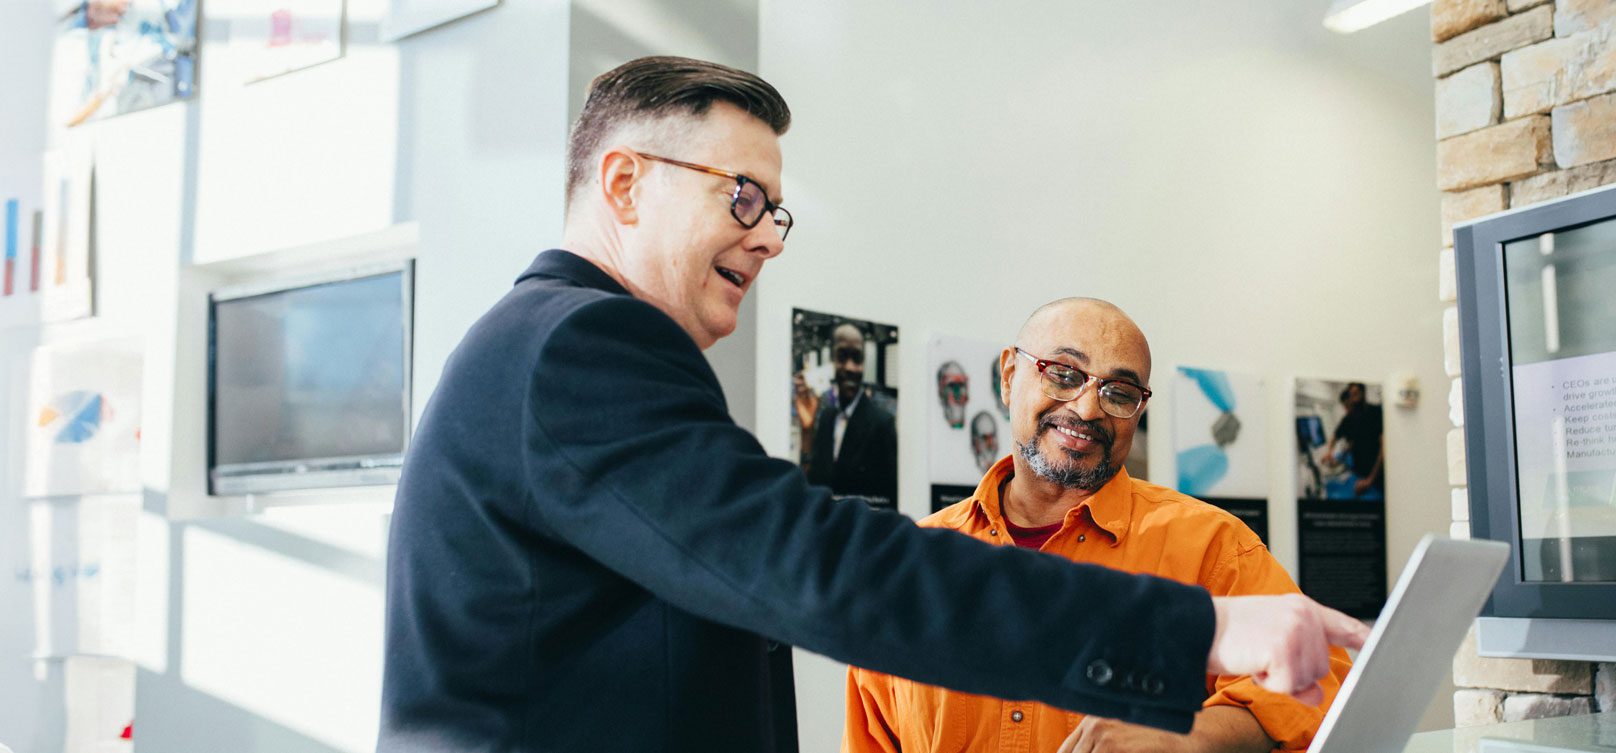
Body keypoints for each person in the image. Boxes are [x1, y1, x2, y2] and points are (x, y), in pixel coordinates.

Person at [379, 56, 1367, 753]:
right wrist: (1190, 631)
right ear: (625, 184)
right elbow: (817, 565)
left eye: (776, 212)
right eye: (742, 196)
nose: (769, 237)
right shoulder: (581, 345)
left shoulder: (548, 347)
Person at [842, 299, 1353, 753]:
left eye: (1119, 392)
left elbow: (1324, 691)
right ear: (1009, 375)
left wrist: (1189, 737)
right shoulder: (909, 568)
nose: (1087, 409)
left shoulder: (1211, 548)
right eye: (1063, 374)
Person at [806, 323, 899, 509]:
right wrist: (806, 431)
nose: (850, 367)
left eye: (857, 358)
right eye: (842, 356)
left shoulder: (882, 424)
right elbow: (814, 482)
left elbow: (889, 501)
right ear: (832, 360)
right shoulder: (826, 417)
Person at [1333, 382, 1384, 499]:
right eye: (1345, 407)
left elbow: (1383, 448)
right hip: (1359, 474)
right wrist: (1337, 457)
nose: (1347, 410)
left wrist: (1370, 480)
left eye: (1348, 406)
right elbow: (1351, 442)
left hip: (1375, 477)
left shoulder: (1374, 412)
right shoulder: (1352, 419)